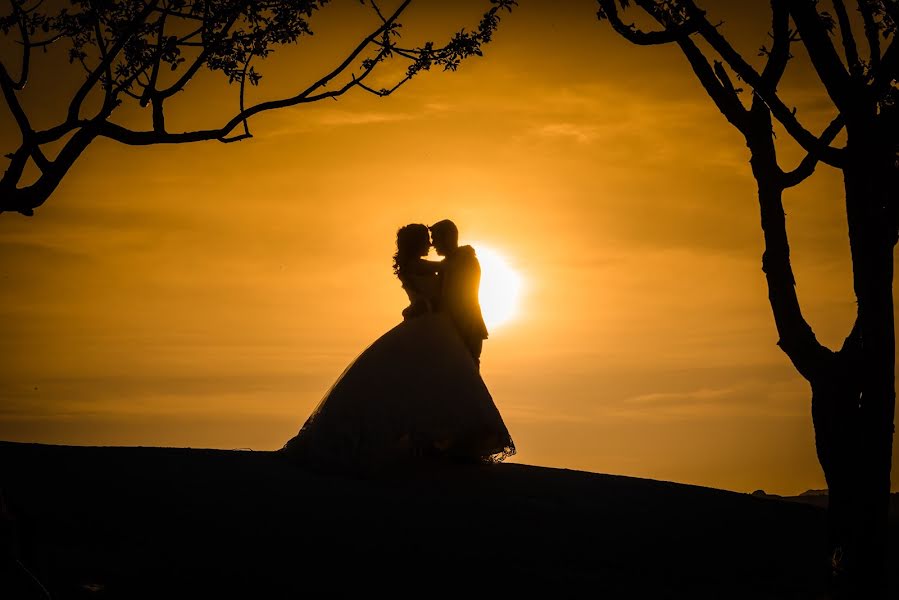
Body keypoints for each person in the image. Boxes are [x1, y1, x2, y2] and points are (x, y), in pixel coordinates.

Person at [281, 223, 514, 472]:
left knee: (440, 383)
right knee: (431, 383)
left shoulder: (426, 264)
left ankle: (446, 441)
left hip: (439, 328)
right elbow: (445, 273)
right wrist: (461, 256)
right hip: (431, 329)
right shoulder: (422, 265)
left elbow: (450, 284)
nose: (431, 244)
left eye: (432, 238)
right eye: (427, 239)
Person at [429, 219, 489, 367]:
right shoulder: (451, 262)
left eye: (436, 239)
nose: (433, 244)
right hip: (454, 326)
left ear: (448, 237)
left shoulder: (464, 260)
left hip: (467, 327)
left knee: (466, 368)